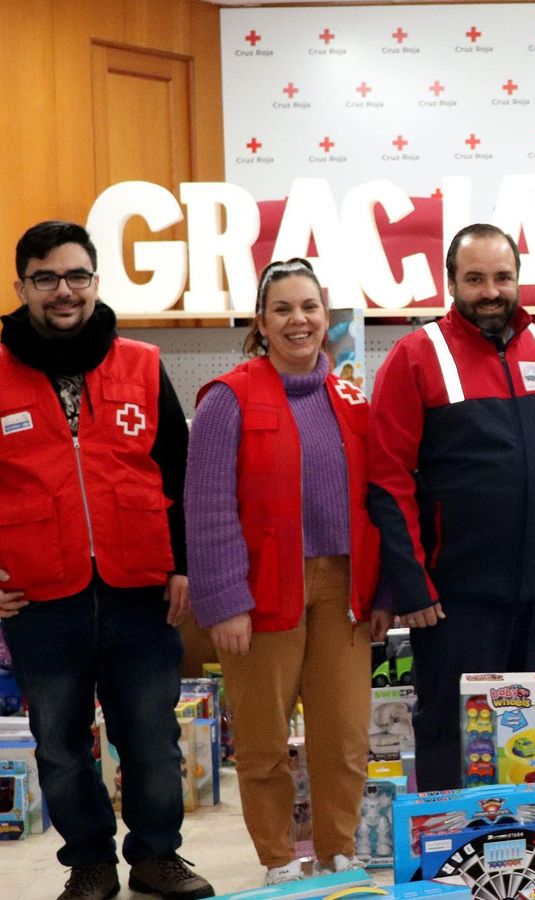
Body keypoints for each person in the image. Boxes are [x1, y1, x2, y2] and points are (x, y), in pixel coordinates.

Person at [0, 221, 213, 900]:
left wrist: (182, 564)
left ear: (95, 280)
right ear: (22, 286)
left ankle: (157, 857)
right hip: (39, 594)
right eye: (47, 277)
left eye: (77, 275)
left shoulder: (142, 363)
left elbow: (179, 470)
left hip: (140, 586)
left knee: (150, 739)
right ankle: (89, 862)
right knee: (59, 743)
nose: (64, 291)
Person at [184, 259, 389, 885]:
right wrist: (223, 601)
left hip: (344, 591)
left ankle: (339, 851)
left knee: (345, 733)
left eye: (309, 308)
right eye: (283, 310)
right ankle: (277, 859)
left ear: (327, 319)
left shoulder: (353, 400)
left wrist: (382, 592)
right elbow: (207, 505)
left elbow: (377, 503)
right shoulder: (227, 399)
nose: (298, 321)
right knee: (264, 739)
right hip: (261, 591)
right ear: (261, 322)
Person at [367, 224, 535, 791]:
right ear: (451, 283)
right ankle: (448, 867)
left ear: (517, 279)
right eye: (476, 279)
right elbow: (387, 479)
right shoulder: (416, 355)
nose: (491, 291)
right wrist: (411, 585)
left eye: (502, 277)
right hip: (453, 598)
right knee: (452, 731)